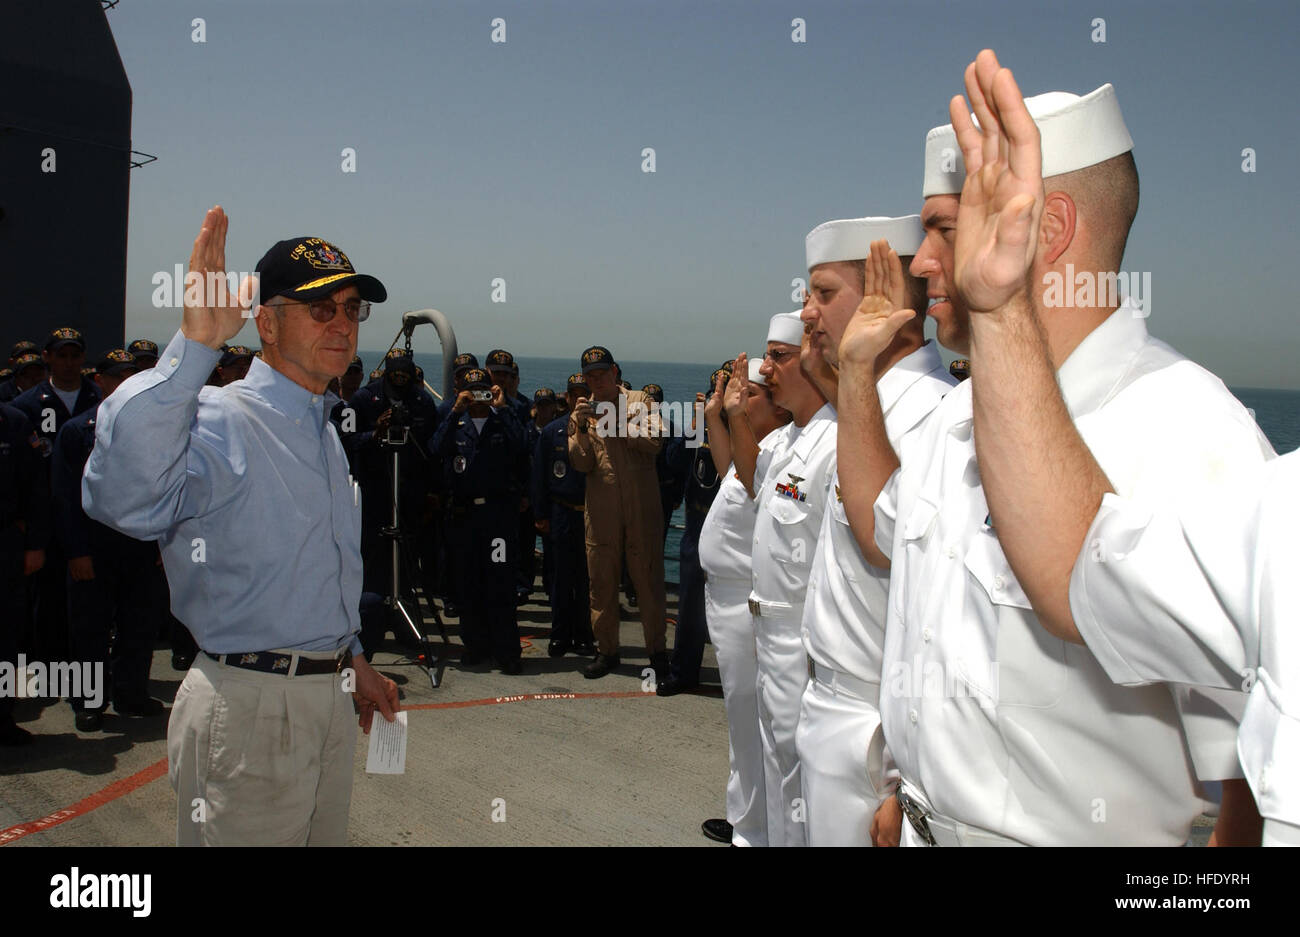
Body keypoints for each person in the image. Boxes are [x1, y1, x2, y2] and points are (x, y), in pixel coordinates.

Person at [848, 55, 1263, 845]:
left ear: (1048, 227)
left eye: (946, 228)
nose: (922, 263)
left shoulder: (1195, 436)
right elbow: (885, 543)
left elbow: (1256, 783)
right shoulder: (957, 414)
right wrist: (909, 790)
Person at [83, 207, 399, 845]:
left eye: (351, 308)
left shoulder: (321, 429)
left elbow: (315, 574)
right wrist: (194, 349)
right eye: (320, 308)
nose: (342, 323)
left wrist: (354, 660)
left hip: (327, 699)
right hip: (251, 706)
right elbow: (123, 502)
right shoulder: (217, 417)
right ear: (267, 322)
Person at [795, 216, 956, 847]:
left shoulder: (932, 416)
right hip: (831, 704)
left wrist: (907, 780)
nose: (807, 313)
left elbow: (937, 611)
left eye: (824, 293)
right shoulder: (871, 405)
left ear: (885, 302)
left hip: (874, 729)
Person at [730, 311, 835, 847]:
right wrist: (731, 414)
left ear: (814, 359)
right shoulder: (791, 439)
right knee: (775, 765)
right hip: (767, 630)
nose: (766, 368)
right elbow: (754, 481)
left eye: (778, 356)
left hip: (803, 641)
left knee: (800, 777)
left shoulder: (836, 442)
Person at [697, 357, 791, 844]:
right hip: (723, 597)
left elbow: (751, 479)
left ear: (778, 406)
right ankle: (746, 816)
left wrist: (728, 417)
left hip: (745, 602)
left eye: (749, 394)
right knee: (741, 715)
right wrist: (716, 416)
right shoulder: (757, 449)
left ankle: (754, 829)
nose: (740, 399)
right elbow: (727, 468)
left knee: (752, 719)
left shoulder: (777, 452)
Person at [52, 349, 165, 730]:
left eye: (132, 375)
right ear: (100, 381)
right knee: (89, 628)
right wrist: (76, 552)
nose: (125, 382)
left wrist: (163, 541)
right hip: (94, 546)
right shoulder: (78, 430)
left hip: (140, 544)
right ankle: (88, 701)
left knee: (139, 623)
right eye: (117, 376)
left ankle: (130, 693)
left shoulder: (154, 429)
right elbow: (65, 497)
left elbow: (163, 489)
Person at [568, 345, 668, 681]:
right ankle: (606, 651)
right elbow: (581, 463)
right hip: (602, 514)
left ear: (614, 372)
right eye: (590, 376)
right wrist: (582, 427)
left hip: (642, 511)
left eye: (602, 373)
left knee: (649, 583)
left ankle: (657, 652)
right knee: (601, 584)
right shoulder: (581, 413)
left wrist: (617, 422)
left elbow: (655, 440)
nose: (597, 381)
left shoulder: (641, 402)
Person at [430, 367, 526, 673]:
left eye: (484, 391)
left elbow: (522, 446)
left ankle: (507, 651)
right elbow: (435, 448)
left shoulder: (503, 421)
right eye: (472, 393)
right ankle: (475, 647)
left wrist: (503, 408)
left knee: (500, 584)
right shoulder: (456, 424)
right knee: (467, 583)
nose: (478, 398)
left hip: (497, 519)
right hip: (464, 519)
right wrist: (454, 411)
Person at [656, 376, 718, 696]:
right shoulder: (699, 433)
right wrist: (694, 425)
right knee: (690, 606)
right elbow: (673, 461)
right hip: (696, 525)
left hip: (730, 533)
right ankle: (683, 673)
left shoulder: (748, 433)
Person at [532, 374, 595, 657]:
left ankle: (584, 636)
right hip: (561, 513)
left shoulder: (602, 429)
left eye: (585, 393)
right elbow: (539, 476)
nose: (579, 398)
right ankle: (559, 635)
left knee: (587, 580)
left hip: (592, 514)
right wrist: (541, 514)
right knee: (560, 578)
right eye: (574, 393)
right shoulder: (552, 432)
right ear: (567, 398)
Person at [0, 399, 48, 745]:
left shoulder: (14, 422)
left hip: (6, 545)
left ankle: (3, 718)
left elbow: (36, 488)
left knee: (6, 637)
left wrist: (34, 544)